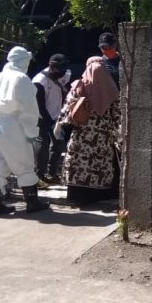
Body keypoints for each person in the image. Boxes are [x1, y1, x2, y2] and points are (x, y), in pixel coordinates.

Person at [0, 46, 49, 215]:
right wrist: (31, 132)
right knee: (25, 164)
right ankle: (32, 203)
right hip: (14, 125)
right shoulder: (21, 78)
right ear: (22, 61)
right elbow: (28, 109)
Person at [54, 56, 120, 204]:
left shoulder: (79, 86)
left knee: (79, 163)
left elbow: (67, 109)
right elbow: (117, 115)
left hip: (81, 135)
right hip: (103, 137)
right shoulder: (112, 90)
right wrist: (119, 134)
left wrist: (60, 124)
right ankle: (97, 194)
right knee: (99, 164)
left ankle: (77, 195)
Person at [32, 53, 71, 185]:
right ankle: (39, 175)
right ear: (51, 67)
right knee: (41, 146)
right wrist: (50, 123)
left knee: (58, 146)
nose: (63, 74)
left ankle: (52, 172)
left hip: (57, 116)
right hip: (42, 117)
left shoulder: (64, 74)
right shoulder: (39, 82)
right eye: (60, 70)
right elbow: (40, 106)